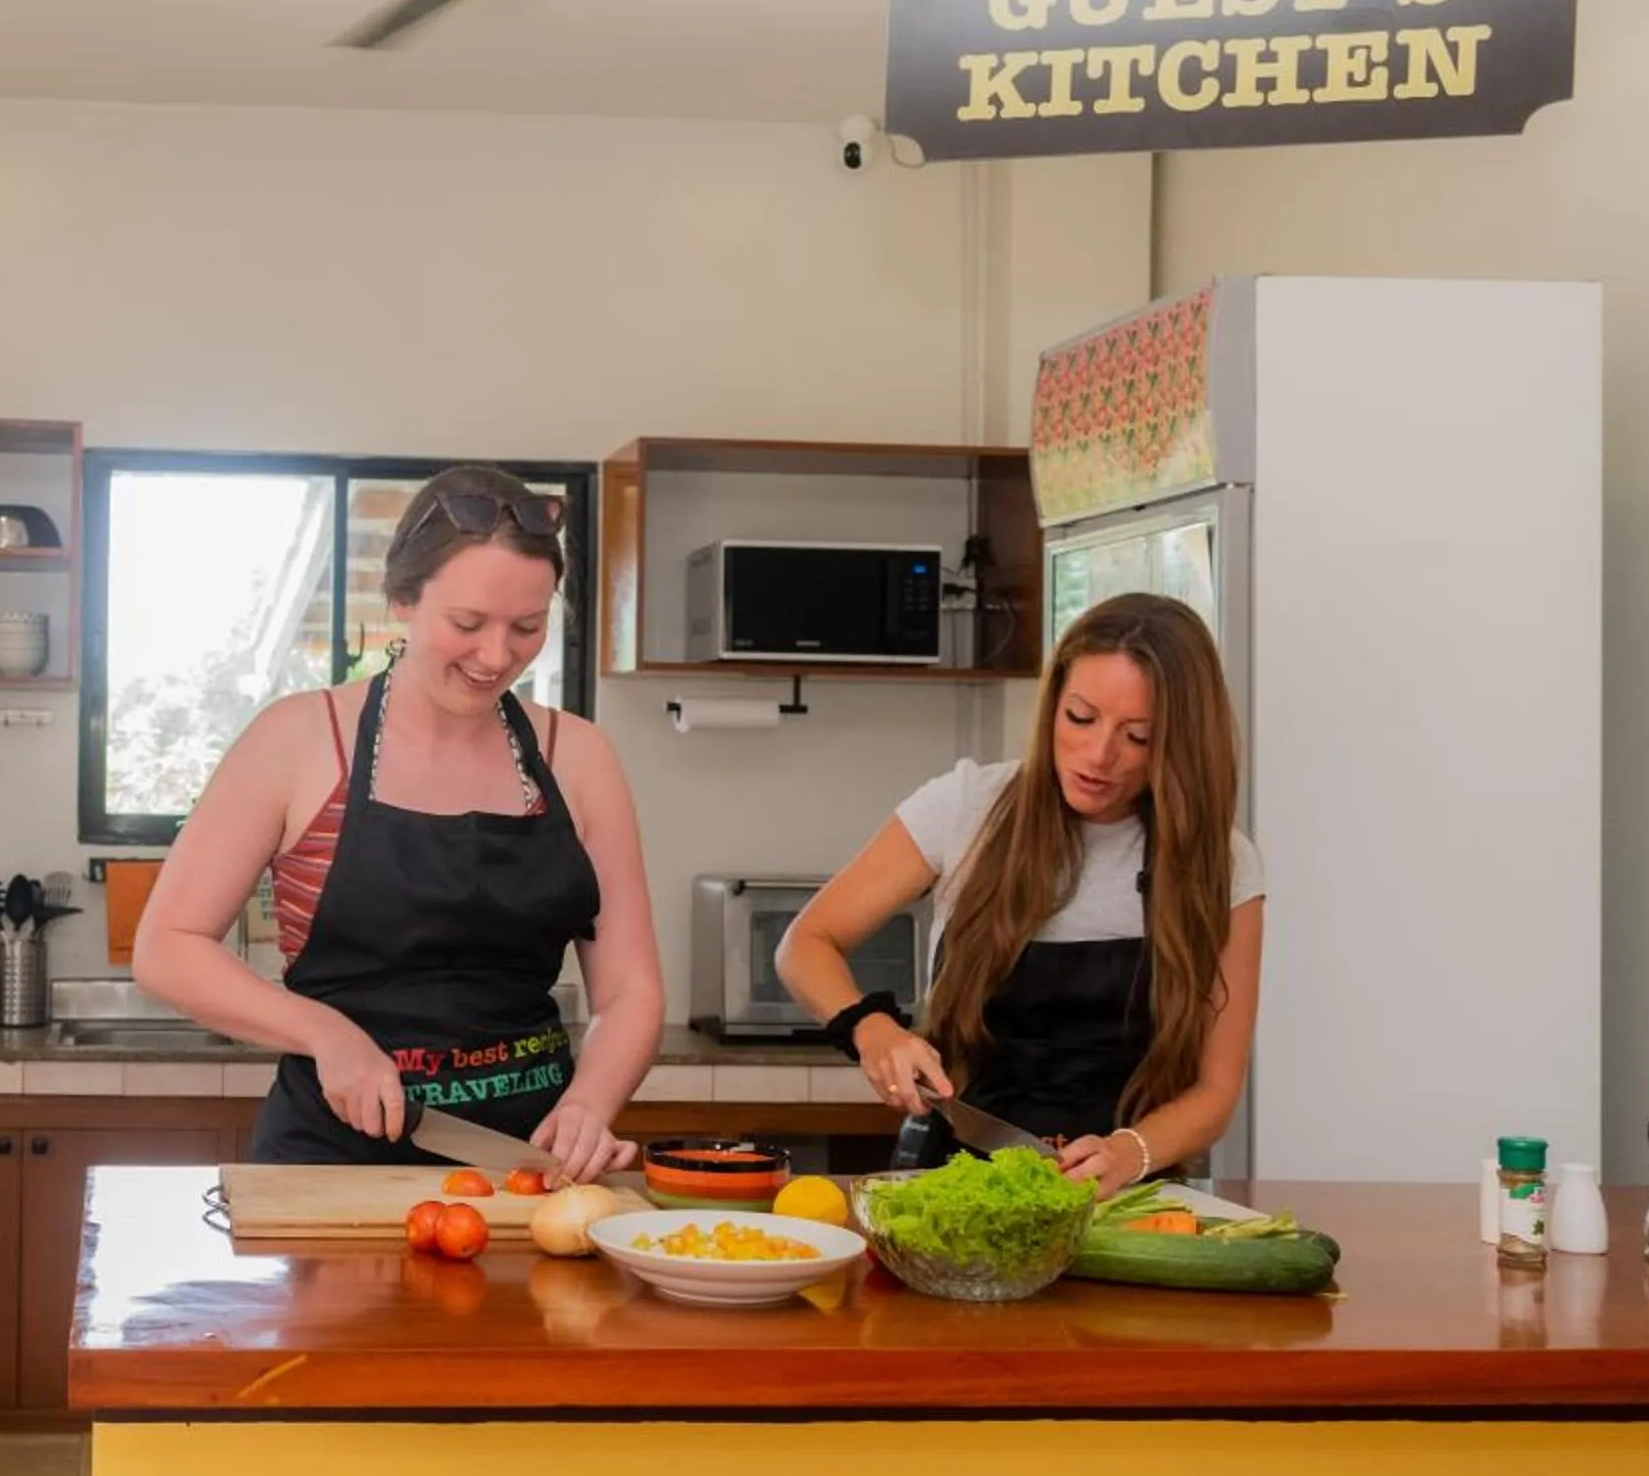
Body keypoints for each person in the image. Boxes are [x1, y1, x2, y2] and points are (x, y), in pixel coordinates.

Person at [132, 466, 662, 1181]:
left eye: (527, 628)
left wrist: (591, 1106)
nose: (497, 656)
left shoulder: (580, 757)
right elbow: (168, 946)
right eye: (468, 624)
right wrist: (325, 1033)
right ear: (402, 601)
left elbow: (630, 991)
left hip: (524, 1168)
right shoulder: (299, 739)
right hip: (330, 1166)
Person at [775, 593, 1264, 1193]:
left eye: (1137, 736)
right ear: (1053, 703)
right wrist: (872, 1029)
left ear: (1180, 743)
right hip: (950, 1185)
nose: (1098, 754)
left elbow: (1215, 1090)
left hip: (1130, 1204)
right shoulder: (964, 809)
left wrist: (1128, 1154)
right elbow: (805, 943)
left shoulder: (1224, 863)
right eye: (1080, 718)